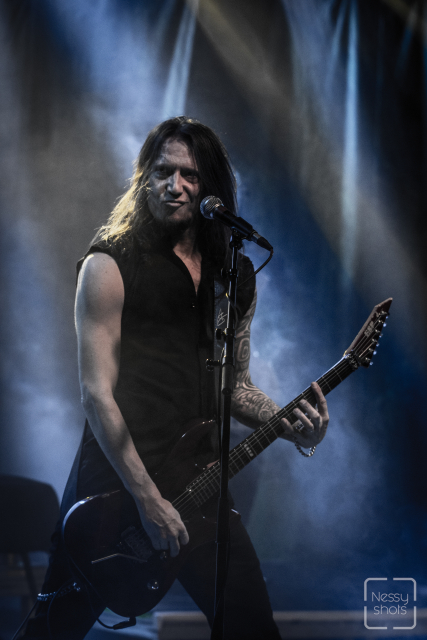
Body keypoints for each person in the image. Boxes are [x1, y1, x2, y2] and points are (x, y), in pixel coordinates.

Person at [23, 117, 329, 640]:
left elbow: (235, 387)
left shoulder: (233, 275)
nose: (175, 185)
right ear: (144, 178)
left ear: (212, 187)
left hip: (200, 483)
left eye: (189, 175)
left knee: (252, 627)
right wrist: (146, 498)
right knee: (52, 631)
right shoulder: (110, 262)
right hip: (114, 488)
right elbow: (96, 395)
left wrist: (290, 425)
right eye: (163, 171)